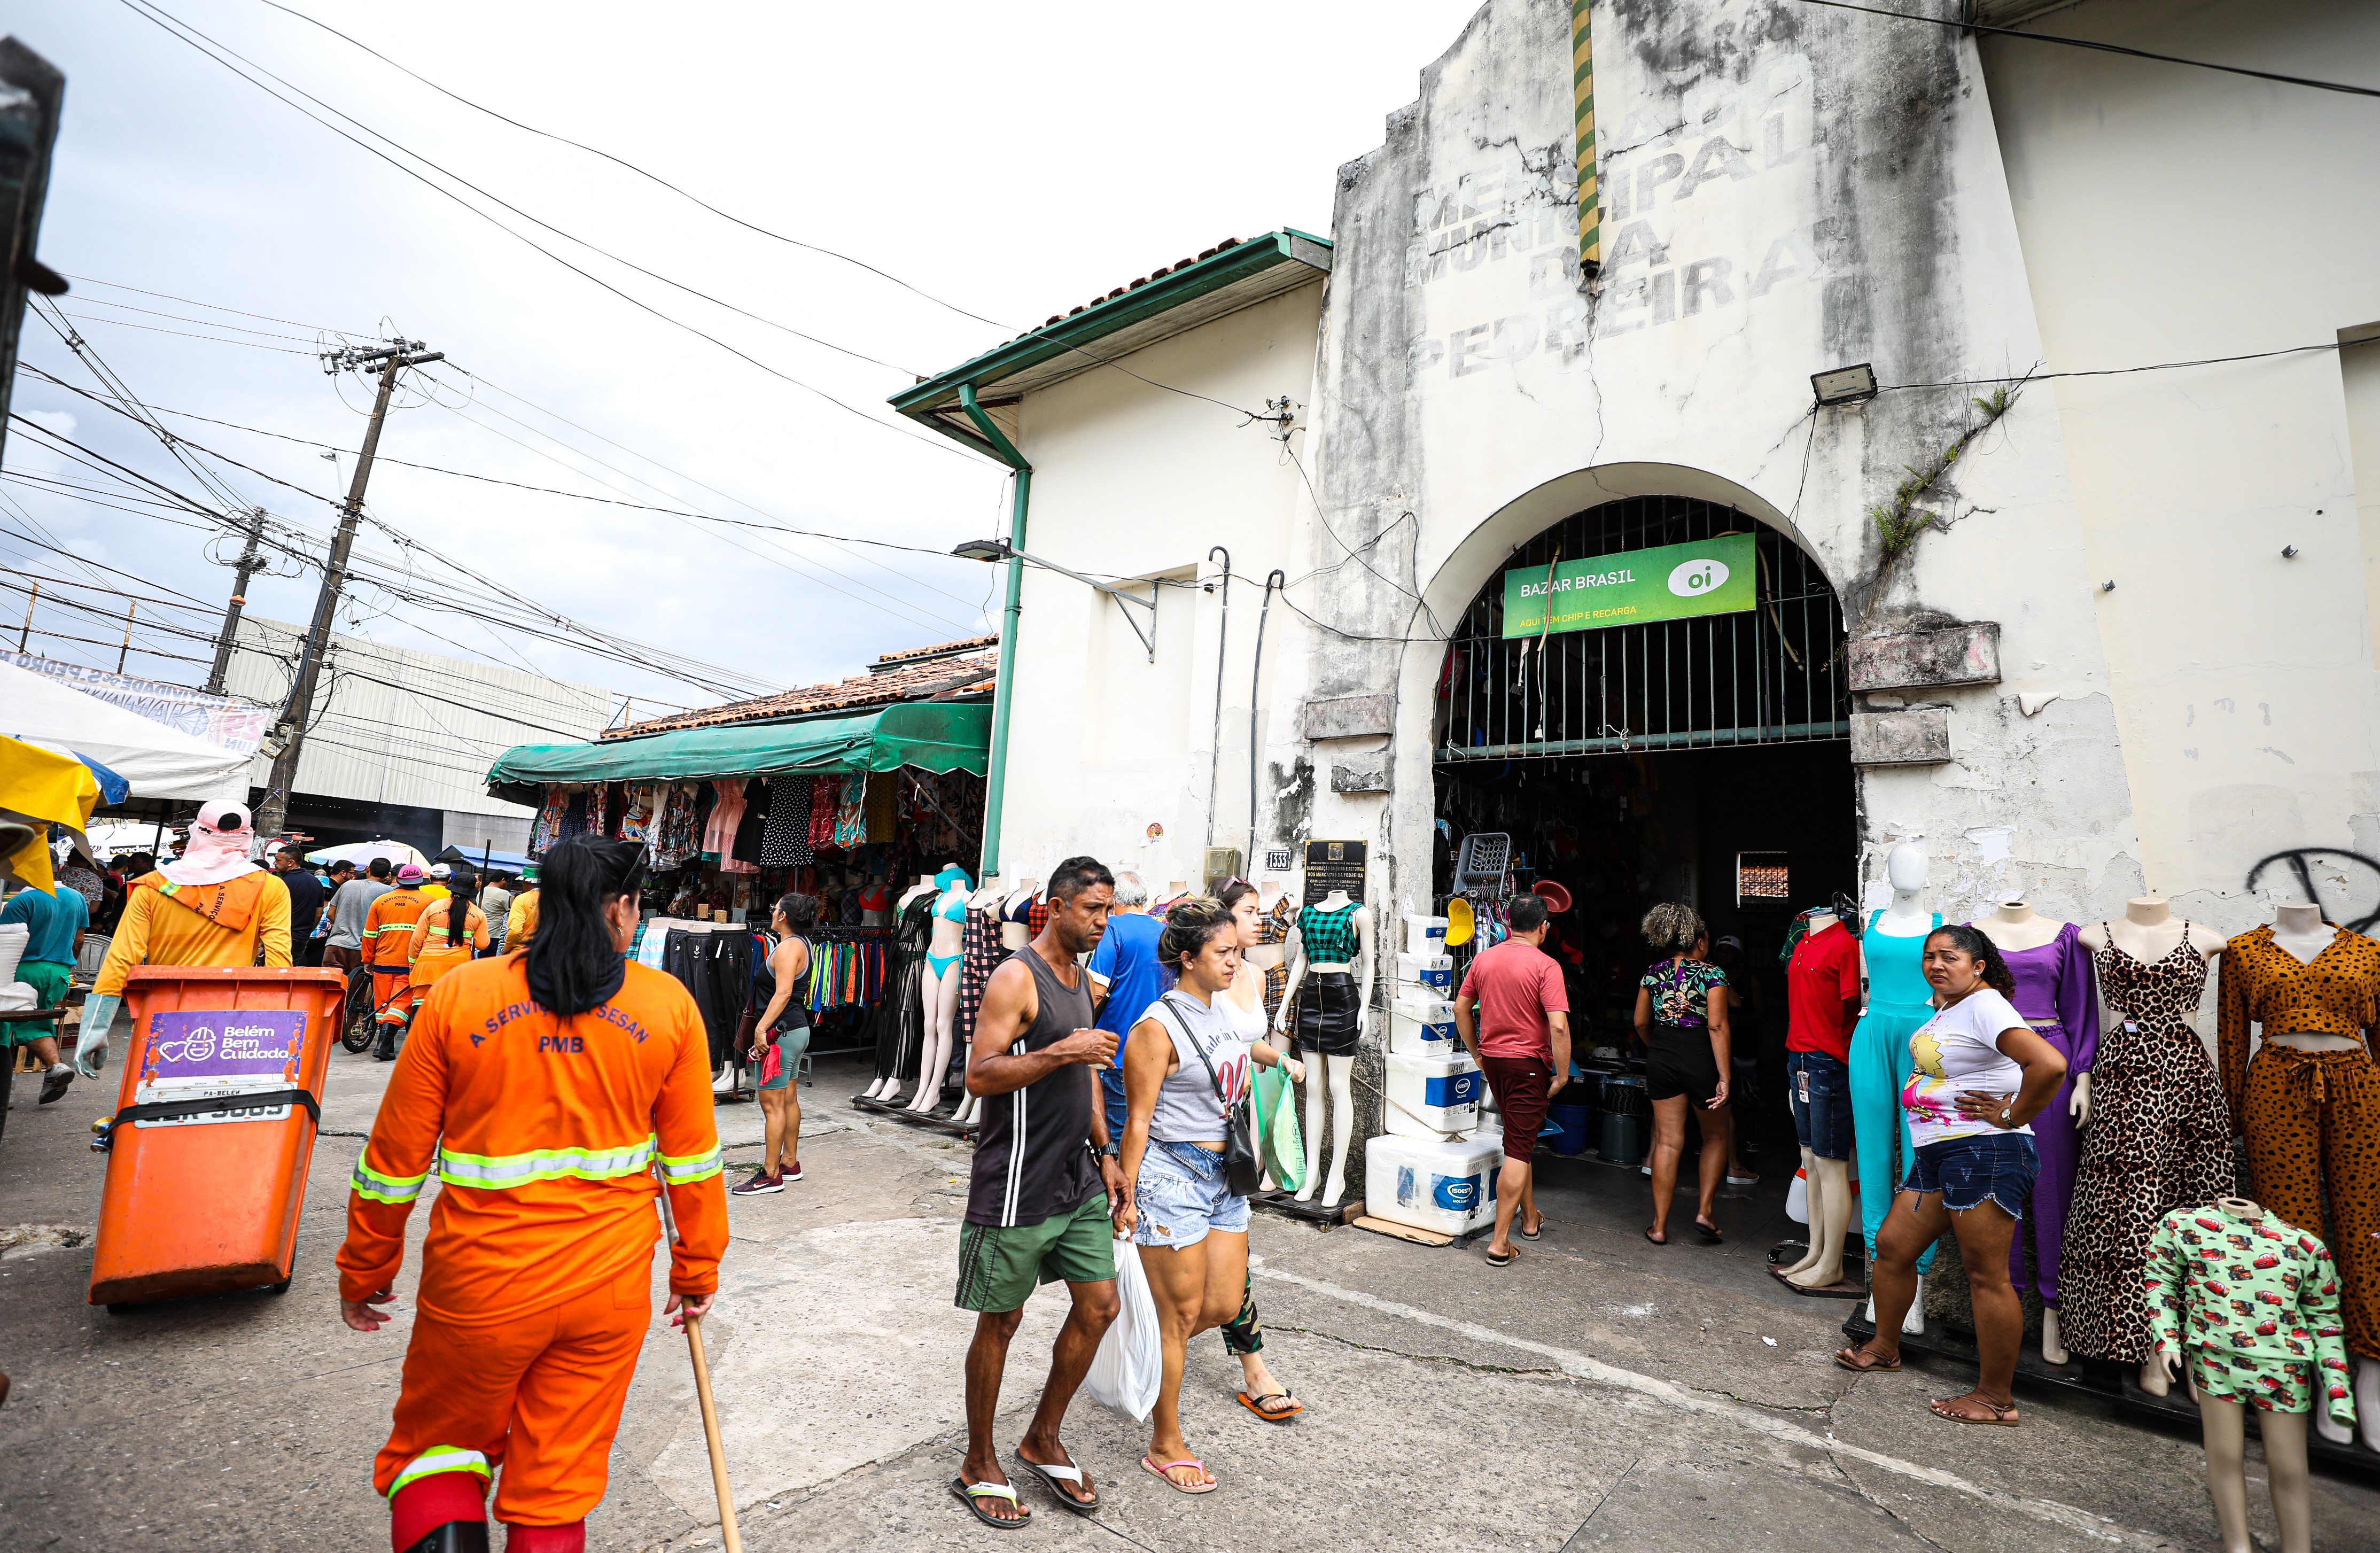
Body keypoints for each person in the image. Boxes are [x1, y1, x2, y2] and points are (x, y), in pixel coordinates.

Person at [337, 835, 727, 1552]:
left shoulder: (463, 995)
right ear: (620, 909)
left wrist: (366, 1269)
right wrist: (696, 1268)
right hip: (605, 1293)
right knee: (555, 1482)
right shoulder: (667, 1006)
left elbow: (393, 1161)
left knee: (439, 1452)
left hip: (479, 1284)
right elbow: (693, 1164)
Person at [951, 856, 1124, 1529]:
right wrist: (1059, 1051)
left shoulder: (1081, 979)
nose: (1102, 922)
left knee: (1100, 1304)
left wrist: (1105, 1153)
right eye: (1092, 910)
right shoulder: (1014, 977)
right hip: (1016, 1182)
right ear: (1054, 907)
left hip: (1075, 1178)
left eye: (1108, 910)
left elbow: (1084, 1078)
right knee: (1001, 1321)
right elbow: (979, 1075)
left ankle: (1042, 1435)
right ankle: (978, 1460)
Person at [1837, 923, 2068, 1426]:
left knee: (1986, 1275)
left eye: (1950, 957)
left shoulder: (1986, 1006)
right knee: (1895, 1248)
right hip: (1942, 1155)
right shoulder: (1952, 1007)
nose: (1936, 965)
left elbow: (2048, 1065)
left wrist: (2010, 1114)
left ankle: (1994, 1398)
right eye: (1930, 957)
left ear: (1978, 966)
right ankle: (1885, 1346)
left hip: (1985, 1153)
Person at [1116, 895, 1304, 1494]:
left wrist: (1280, 1059)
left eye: (1237, 950)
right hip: (1170, 1179)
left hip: (1225, 1178)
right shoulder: (1155, 1026)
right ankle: (1164, 1442)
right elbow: (1137, 1121)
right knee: (1178, 1318)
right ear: (1189, 956)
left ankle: (1134, 1335)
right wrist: (1125, 1194)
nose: (1234, 960)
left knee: (1221, 1304)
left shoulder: (1218, 1010)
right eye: (1224, 951)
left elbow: (1240, 1051)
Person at [79, 803, 292, 1078]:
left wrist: (96, 1028)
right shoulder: (270, 887)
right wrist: (277, 1024)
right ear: (246, 836)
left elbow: (123, 957)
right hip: (235, 1021)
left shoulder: (153, 886)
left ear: (197, 832)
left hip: (161, 1015)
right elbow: (278, 960)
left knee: (153, 1098)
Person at [1210, 879, 1301, 1422]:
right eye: (1248, 912)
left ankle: (1253, 1366)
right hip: (1197, 1128)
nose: (1258, 919)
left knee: (1232, 1252)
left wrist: (1280, 1059)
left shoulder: (1253, 971)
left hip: (1236, 1125)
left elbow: (1246, 1042)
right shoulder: (1205, 975)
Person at [1452, 892, 1572, 1267]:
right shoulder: (1546, 966)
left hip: (1496, 1063)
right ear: (1543, 928)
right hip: (1528, 1066)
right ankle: (1500, 1242)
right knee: (1519, 1149)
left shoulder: (1484, 959)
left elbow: (1461, 1008)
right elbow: (1558, 1026)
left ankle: (1531, 1217)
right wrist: (1564, 1073)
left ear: (1507, 925)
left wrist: (1477, 1053)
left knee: (1519, 1139)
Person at [1634, 903, 1731, 1246]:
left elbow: (1640, 1022)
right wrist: (1725, 1076)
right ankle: (1704, 1212)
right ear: (1700, 942)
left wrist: (1658, 1046)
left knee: (1668, 1142)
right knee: (1716, 1137)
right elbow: (1717, 1026)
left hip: (1662, 1056)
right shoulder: (1713, 975)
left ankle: (1658, 1226)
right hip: (1701, 1057)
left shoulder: (1653, 973)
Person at [734, 892, 816, 1194]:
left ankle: (770, 1175)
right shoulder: (802, 944)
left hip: (780, 1035)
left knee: (771, 1104)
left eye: (774, 908)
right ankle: (789, 1163)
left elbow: (782, 994)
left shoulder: (786, 949)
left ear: (783, 917)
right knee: (789, 1098)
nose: (772, 911)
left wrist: (761, 1029)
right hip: (796, 1029)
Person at [1085, 869, 1168, 1144]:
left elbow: (1097, 990)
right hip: (1159, 1050)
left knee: (1119, 1133)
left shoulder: (1113, 929)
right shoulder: (1165, 931)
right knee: (1149, 1133)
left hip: (1118, 1049)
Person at [3, 864, 89, 1104]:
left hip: (25, 971)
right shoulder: (76, 897)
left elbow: (7, 945)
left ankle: (8, 1088)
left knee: (11, 1027)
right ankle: (56, 1069)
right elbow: (79, 939)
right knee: (39, 1022)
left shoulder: (22, 901)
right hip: (60, 973)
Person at [402, 870, 491, 1028]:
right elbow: (482, 945)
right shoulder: (478, 914)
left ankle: (418, 1040)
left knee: (420, 1003)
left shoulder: (434, 907)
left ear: (451, 887)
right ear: (473, 891)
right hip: (458, 968)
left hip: (428, 963)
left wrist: (413, 963)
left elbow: (416, 939)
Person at [1710, 934, 1764, 1184]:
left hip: (1744, 1044)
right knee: (1723, 1095)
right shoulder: (1710, 977)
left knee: (1748, 1094)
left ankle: (1751, 1135)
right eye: (1720, 952)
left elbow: (1761, 1013)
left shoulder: (1749, 979)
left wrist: (1739, 1021)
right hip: (1721, 1046)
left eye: (1728, 952)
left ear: (1739, 955)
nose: (1723, 956)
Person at [364, 866, 433, 1060]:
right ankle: (385, 1045)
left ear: (398, 880)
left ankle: (385, 1043)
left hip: (383, 961)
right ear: (420, 882)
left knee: (383, 1003)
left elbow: (369, 935)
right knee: (401, 1003)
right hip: (410, 962)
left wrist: (367, 960)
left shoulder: (381, 901)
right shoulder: (429, 902)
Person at [325, 858, 393, 1033]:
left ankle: (324, 1028)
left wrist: (342, 926)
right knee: (357, 994)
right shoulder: (388, 892)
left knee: (329, 990)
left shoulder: (348, 886)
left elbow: (331, 914)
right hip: (361, 948)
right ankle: (346, 1031)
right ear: (387, 875)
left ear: (368, 869)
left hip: (335, 945)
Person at [274, 847, 329, 969]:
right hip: (302, 937)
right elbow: (319, 912)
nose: (275, 863)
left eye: (278, 860)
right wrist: (307, 931)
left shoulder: (282, 883)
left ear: (291, 863)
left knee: (273, 973)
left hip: (281, 937)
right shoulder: (316, 882)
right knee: (291, 972)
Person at [507, 867, 541, 951]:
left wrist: (506, 948)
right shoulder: (554, 900)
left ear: (525, 883)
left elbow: (515, 931)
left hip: (521, 952)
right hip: (544, 954)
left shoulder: (521, 899)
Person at [480, 872, 514, 957]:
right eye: (507, 882)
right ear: (503, 880)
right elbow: (512, 912)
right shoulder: (504, 894)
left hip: (482, 935)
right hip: (496, 936)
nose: (507, 885)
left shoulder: (481, 891)